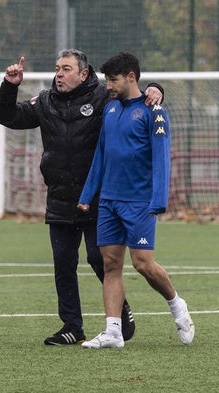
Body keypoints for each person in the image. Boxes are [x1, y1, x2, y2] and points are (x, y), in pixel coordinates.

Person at [0, 49, 164, 346]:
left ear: (83, 74)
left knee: (99, 260)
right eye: (57, 68)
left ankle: (119, 314)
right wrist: (10, 86)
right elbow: (9, 117)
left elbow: (132, 90)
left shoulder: (103, 97)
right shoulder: (45, 101)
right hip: (60, 196)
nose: (59, 74)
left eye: (66, 68)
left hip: (97, 195)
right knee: (63, 263)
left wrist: (156, 89)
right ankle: (71, 326)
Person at [77, 52, 194, 349]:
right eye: (106, 80)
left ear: (131, 77)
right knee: (110, 264)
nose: (109, 86)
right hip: (109, 201)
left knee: (143, 264)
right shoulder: (111, 109)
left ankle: (177, 304)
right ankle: (113, 331)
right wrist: (88, 194)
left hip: (139, 201)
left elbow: (161, 158)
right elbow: (101, 155)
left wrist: (158, 200)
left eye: (113, 80)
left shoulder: (154, 111)